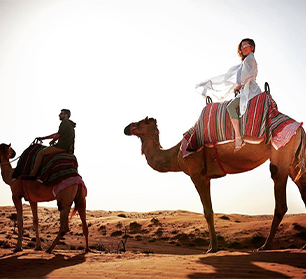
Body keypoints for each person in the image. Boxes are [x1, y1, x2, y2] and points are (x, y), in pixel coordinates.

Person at [195, 38, 261, 152]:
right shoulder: (245, 62)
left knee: (230, 107)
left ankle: (238, 137)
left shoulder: (249, 59)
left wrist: (239, 85)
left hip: (249, 90)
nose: (243, 48)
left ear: (252, 47)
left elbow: (247, 77)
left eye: (245, 46)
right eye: (241, 47)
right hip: (246, 88)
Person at [24, 109, 76, 179]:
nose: (59, 115)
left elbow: (58, 135)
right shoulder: (70, 125)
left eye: (61, 114)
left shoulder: (64, 122)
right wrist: (43, 138)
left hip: (61, 147)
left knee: (40, 153)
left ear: (66, 115)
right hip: (68, 149)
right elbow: (56, 134)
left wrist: (53, 141)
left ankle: (33, 174)